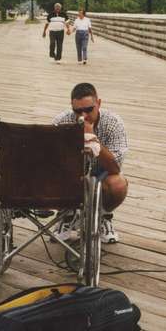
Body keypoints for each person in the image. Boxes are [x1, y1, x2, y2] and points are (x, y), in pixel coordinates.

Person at [53, 82, 129, 243]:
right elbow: (52, 162)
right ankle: (66, 216)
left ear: (98, 103)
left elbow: (115, 168)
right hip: (71, 174)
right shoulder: (61, 121)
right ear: (71, 107)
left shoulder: (113, 123)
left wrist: (93, 141)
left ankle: (103, 216)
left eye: (89, 109)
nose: (83, 116)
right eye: (77, 111)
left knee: (118, 185)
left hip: (101, 173)